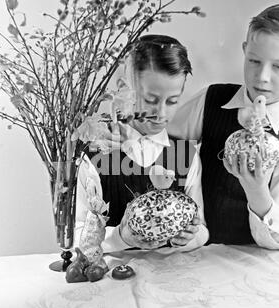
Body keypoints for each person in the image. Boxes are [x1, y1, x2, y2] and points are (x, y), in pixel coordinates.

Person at [168, 4, 279, 250]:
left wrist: (256, 190)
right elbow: (164, 146)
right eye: (255, 61)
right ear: (245, 51)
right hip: (196, 256)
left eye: (278, 66)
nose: (262, 77)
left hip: (257, 267)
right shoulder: (212, 99)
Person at [74, 34, 209, 253]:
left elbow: (202, 229)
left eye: (173, 101)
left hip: (170, 279)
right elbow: (75, 235)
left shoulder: (187, 155)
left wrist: (190, 237)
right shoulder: (94, 152)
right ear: (123, 88)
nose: (161, 113)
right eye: (150, 100)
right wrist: (121, 237)